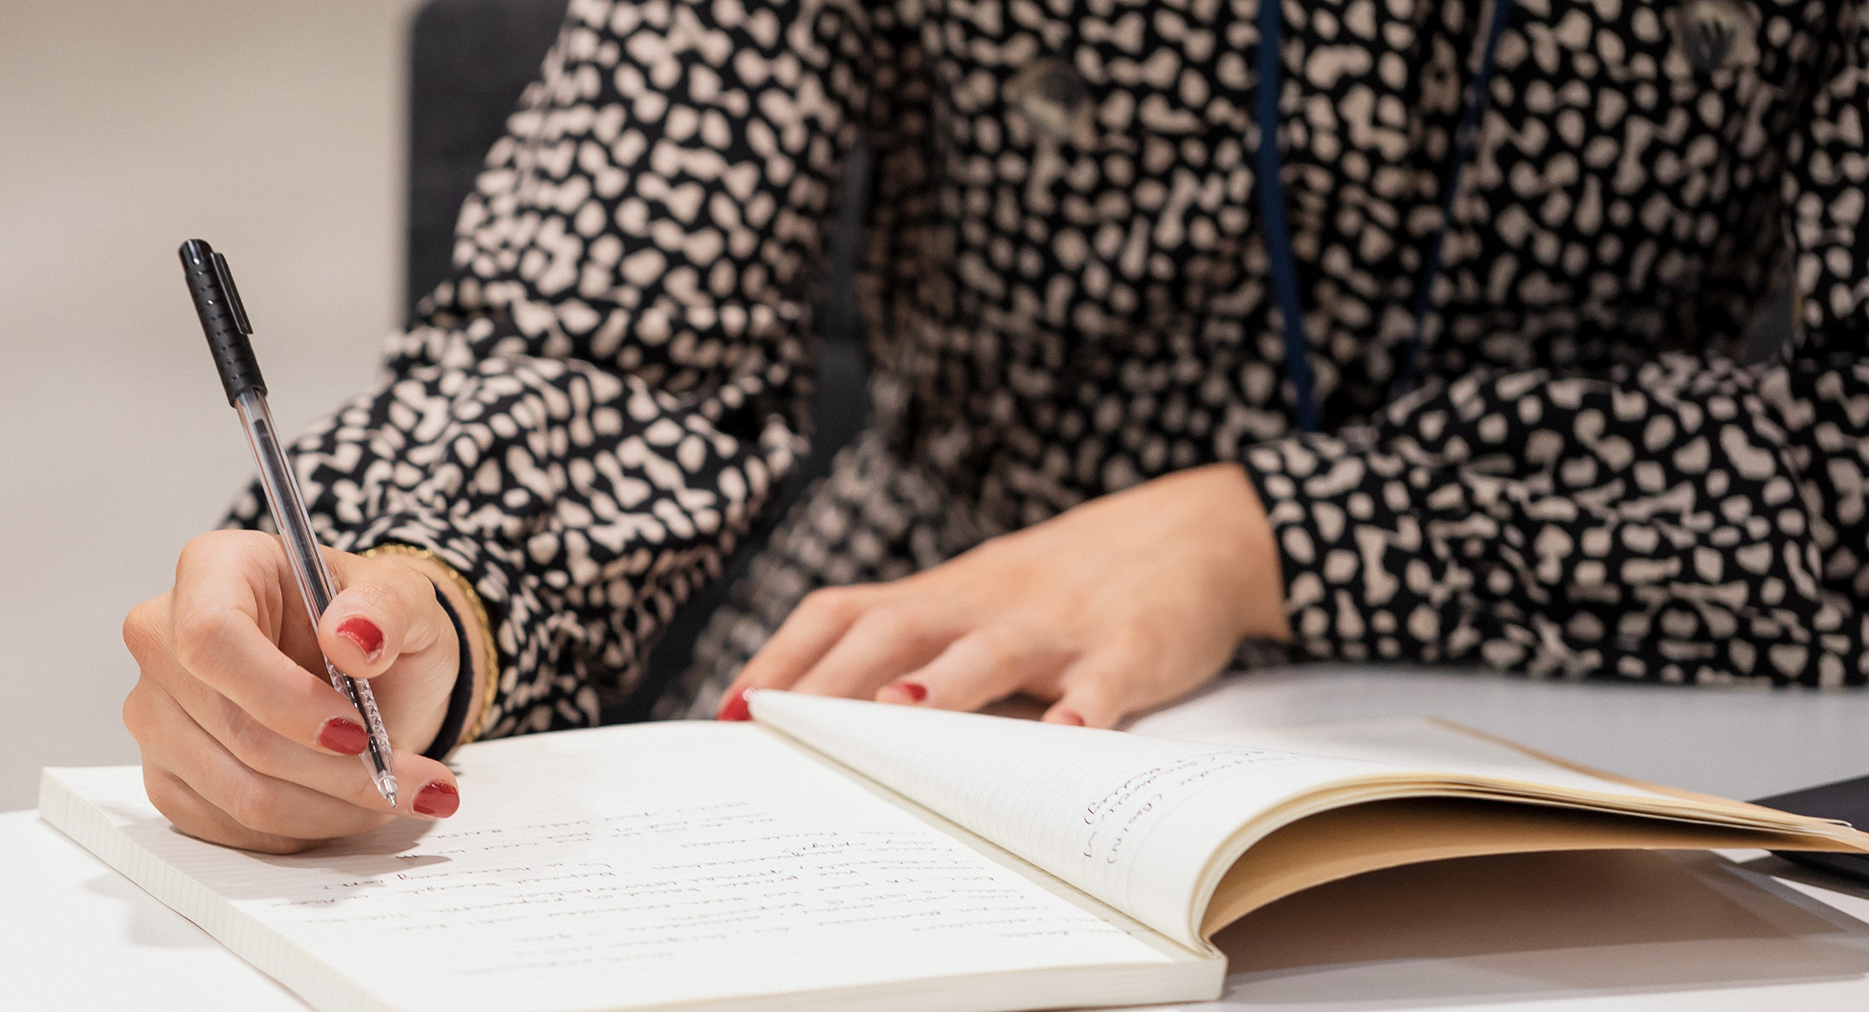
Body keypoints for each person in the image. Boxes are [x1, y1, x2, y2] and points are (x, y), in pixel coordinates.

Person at [119, 0, 1867, 852]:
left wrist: (1254, 535)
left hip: (1609, 698)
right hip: (919, 678)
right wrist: (410, 579)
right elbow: (600, 321)